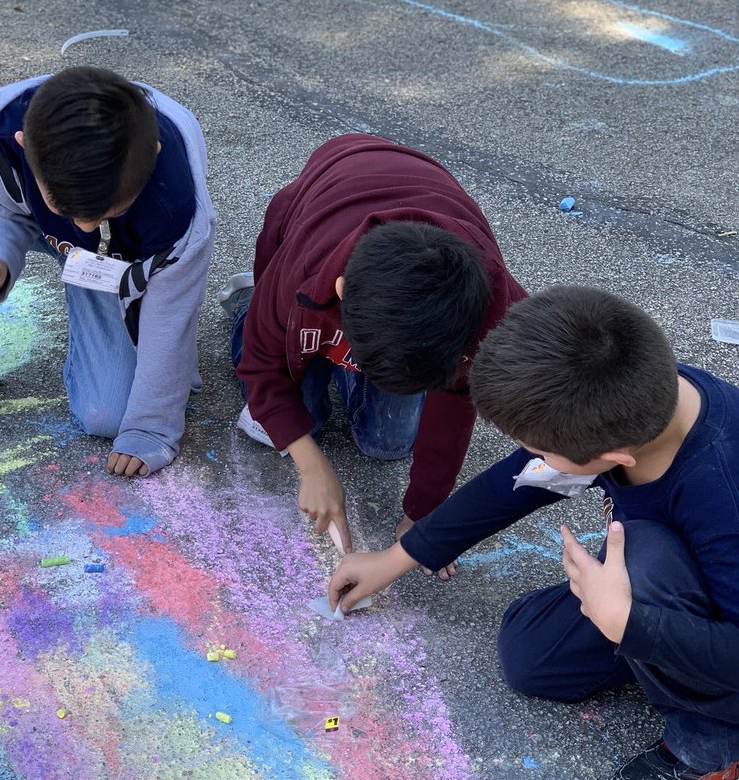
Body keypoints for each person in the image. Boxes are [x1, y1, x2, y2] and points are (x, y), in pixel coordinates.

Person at [328, 286, 739, 780]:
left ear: (610, 458)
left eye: (545, 450)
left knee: (644, 557)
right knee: (530, 659)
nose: (535, 458)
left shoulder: (722, 491)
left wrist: (625, 620)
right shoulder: (632, 398)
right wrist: (397, 557)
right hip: (670, 579)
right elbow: (520, 482)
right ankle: (653, 633)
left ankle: (714, 738)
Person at [0, 65, 215, 477]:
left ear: (154, 156)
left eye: (105, 213)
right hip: (48, 216)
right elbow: (2, 209)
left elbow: (170, 321)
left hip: (115, 264)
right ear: (25, 148)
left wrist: (151, 429)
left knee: (107, 417)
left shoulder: (179, 214)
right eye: (68, 211)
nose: (85, 228)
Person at [218, 133, 527, 551]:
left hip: (389, 275)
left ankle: (342, 358)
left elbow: (456, 402)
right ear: (343, 291)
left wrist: (422, 515)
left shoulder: (492, 311)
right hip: (324, 205)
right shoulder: (302, 266)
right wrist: (312, 469)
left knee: (388, 444)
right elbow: (259, 368)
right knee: (275, 421)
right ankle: (245, 303)